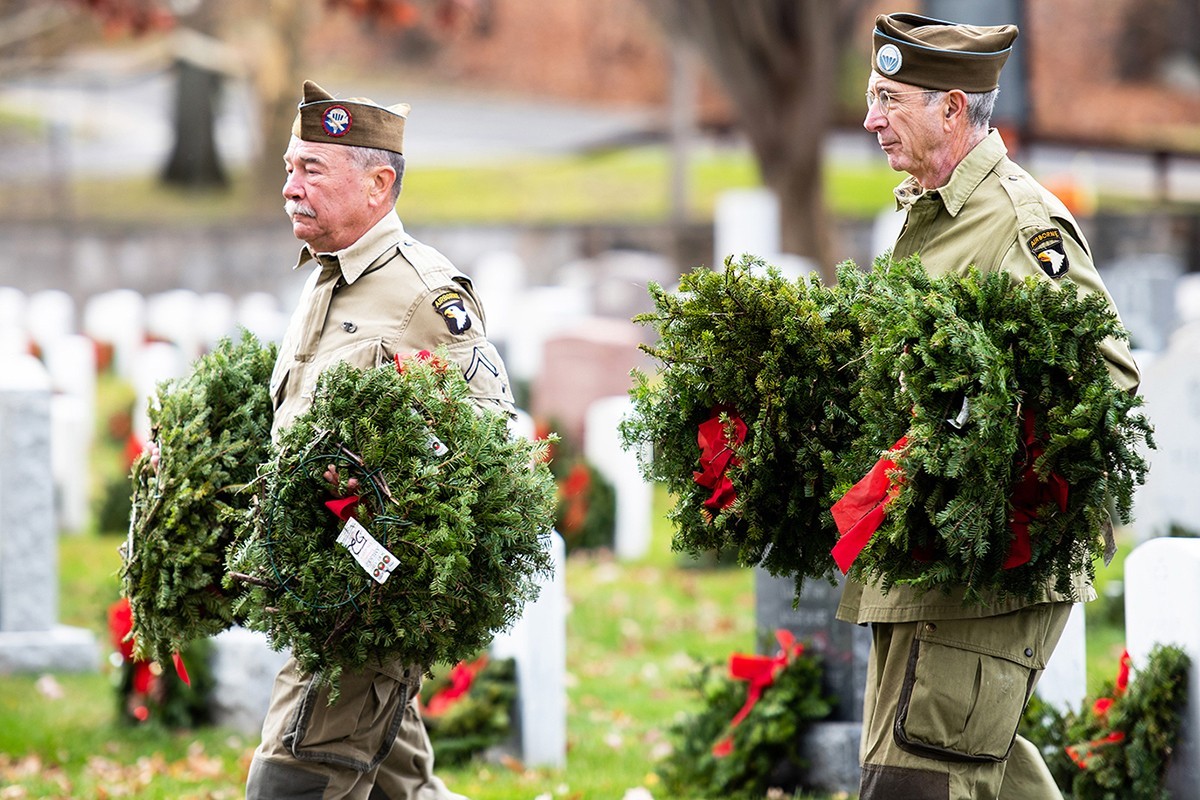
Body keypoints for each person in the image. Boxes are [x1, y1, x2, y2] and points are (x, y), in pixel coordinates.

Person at [836, 13, 1140, 800]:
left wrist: (973, 452)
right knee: (983, 776)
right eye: (873, 97)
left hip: (985, 567)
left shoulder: (1019, 222)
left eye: (889, 99)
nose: (870, 119)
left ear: (952, 108)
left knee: (914, 782)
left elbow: (1105, 379)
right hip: (931, 562)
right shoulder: (928, 210)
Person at [245, 79, 514, 800]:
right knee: (402, 790)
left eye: (311, 171)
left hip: (367, 597)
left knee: (290, 783)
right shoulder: (324, 282)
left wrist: (392, 534)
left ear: (378, 184)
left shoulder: (427, 295)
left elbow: (491, 446)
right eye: (288, 167)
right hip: (318, 589)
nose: (288, 188)